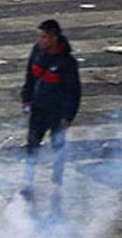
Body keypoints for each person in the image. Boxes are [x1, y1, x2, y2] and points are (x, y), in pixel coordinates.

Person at [20, 20, 81, 207]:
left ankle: (56, 183)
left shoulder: (67, 63)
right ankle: (28, 181)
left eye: (45, 37)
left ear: (55, 38)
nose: (41, 40)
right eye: (40, 36)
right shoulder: (37, 52)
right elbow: (30, 77)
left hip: (57, 112)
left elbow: (74, 91)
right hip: (38, 109)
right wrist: (26, 99)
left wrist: (68, 116)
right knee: (32, 146)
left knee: (58, 148)